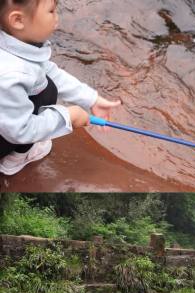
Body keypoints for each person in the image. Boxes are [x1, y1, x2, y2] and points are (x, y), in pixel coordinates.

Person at [0, 0, 120, 175]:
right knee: (47, 92)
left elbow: (46, 71)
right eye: (51, 11)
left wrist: (91, 99)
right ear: (18, 20)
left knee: (45, 84)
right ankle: (14, 160)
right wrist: (68, 116)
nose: (57, 18)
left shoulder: (13, 48)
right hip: (12, 132)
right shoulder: (11, 75)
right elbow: (21, 130)